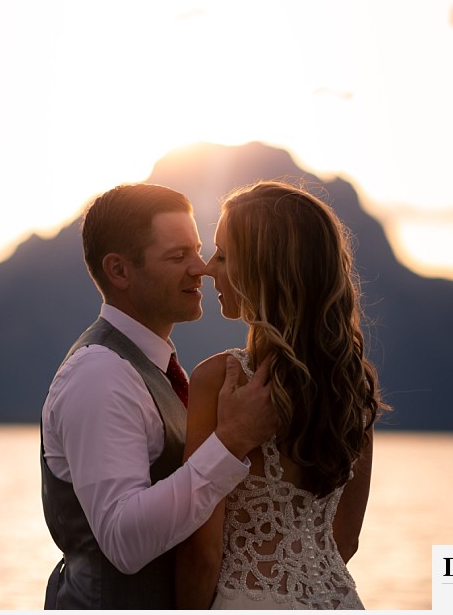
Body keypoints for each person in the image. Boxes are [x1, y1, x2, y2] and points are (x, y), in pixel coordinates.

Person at [40, 183, 280, 609]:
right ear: (119, 271)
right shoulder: (98, 374)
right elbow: (123, 541)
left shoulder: (158, 368)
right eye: (178, 256)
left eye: (199, 250)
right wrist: (232, 440)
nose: (202, 269)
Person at [176, 181, 387, 609]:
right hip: (336, 599)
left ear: (261, 270)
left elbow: (202, 555)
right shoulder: (351, 384)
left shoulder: (219, 379)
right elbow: (346, 538)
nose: (207, 269)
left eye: (223, 256)